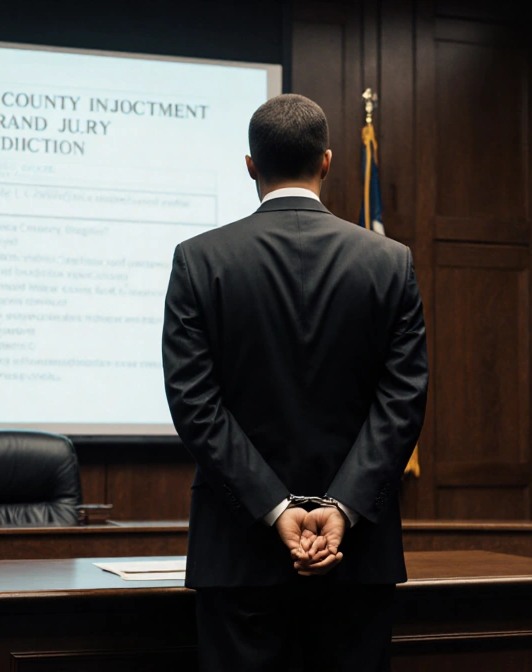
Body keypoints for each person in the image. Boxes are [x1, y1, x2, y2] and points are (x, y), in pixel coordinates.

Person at [162, 93, 429, 671]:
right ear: (328, 162)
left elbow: (194, 404)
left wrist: (275, 508)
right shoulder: (390, 262)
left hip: (240, 555)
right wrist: (344, 507)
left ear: (252, 166)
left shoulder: (199, 260)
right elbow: (402, 401)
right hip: (356, 557)